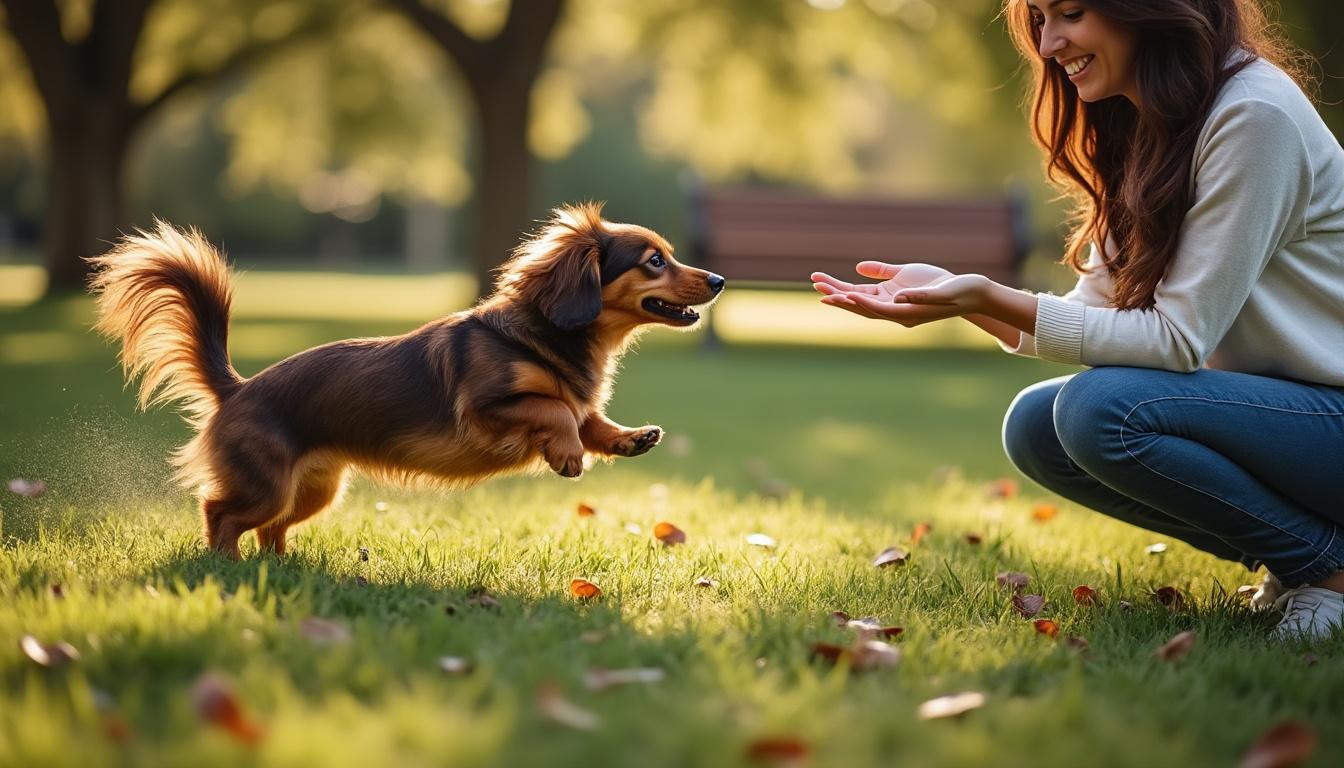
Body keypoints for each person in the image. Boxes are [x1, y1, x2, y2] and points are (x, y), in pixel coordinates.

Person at [812, 0, 1344, 639]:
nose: (1046, 44)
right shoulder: (1144, 122)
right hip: (1290, 418)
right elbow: (1093, 316)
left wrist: (985, 297)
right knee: (1038, 427)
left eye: (1068, 14)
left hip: (1328, 415)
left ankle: (1326, 570)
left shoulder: (1253, 116)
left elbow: (1175, 341)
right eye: (1038, 19)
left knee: (1099, 411)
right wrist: (959, 298)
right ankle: (1305, 554)